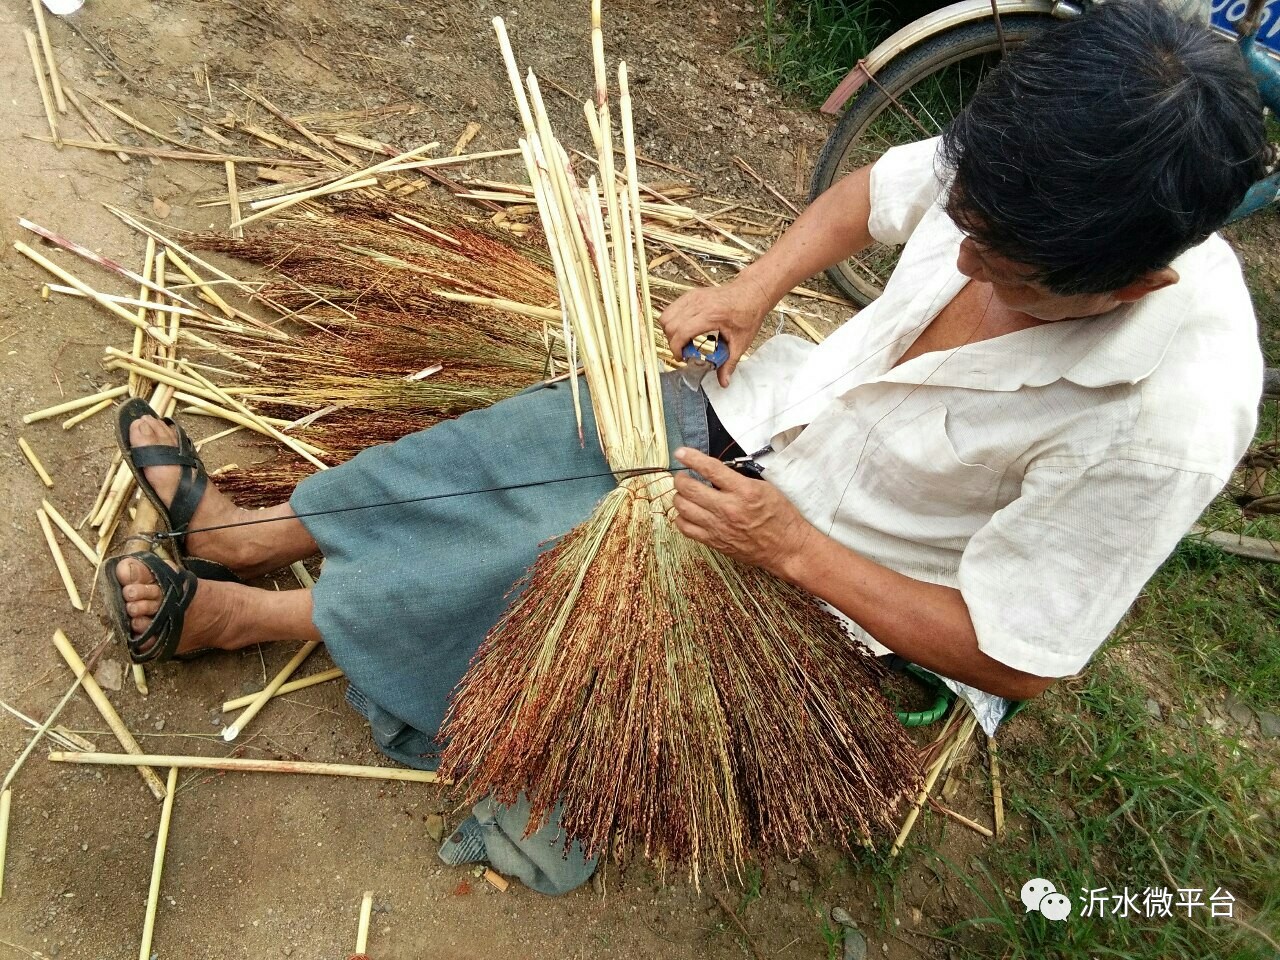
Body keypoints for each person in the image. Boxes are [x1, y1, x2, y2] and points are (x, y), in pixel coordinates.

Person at [101, 0, 1266, 894]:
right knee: (529, 438)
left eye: (1003, 277)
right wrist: (755, 287)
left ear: (1132, 281)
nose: (961, 265)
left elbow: (1019, 656)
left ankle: (252, 619)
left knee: (553, 551)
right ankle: (251, 532)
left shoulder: (1163, 420)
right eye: (968, 233)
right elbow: (876, 193)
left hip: (849, 589)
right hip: (777, 417)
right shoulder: (1036, 174)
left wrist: (793, 554)